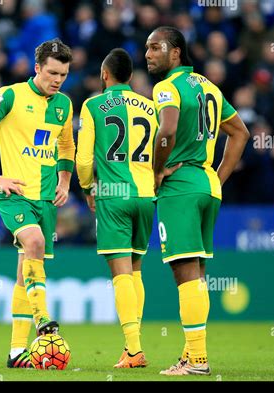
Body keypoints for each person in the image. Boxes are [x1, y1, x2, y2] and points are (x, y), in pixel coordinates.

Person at [145, 27, 250, 375]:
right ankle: (192, 356)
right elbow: (240, 133)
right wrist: (216, 179)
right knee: (198, 274)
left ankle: (199, 361)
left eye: (155, 47)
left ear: (175, 53)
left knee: (185, 273)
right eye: (146, 48)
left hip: (181, 187)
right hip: (206, 185)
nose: (148, 54)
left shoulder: (167, 88)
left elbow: (168, 130)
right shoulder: (209, 86)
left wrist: (158, 172)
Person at [0, 39, 75, 368]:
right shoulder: (10, 95)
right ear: (37, 68)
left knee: (23, 274)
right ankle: (42, 318)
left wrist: (65, 180)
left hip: (45, 200)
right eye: (52, 73)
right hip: (14, 195)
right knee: (35, 241)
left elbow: (66, 145)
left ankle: (16, 352)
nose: (57, 80)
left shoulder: (64, 105)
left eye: (64, 74)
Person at [76, 48, 158, 368]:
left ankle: (135, 350)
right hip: (146, 196)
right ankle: (131, 347)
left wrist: (88, 187)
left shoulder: (93, 105)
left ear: (105, 75)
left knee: (121, 273)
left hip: (113, 194)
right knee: (136, 270)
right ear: (132, 77)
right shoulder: (151, 108)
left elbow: (84, 160)